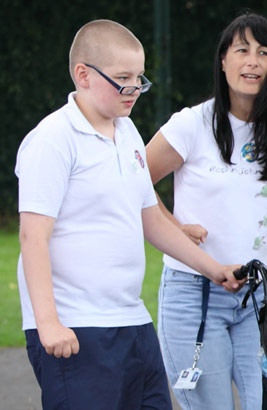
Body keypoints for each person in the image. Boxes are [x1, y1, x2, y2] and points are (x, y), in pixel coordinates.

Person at [15, 19, 241, 410]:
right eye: (123, 78)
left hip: (133, 321)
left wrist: (212, 268)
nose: (135, 89)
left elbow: (149, 218)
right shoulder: (51, 140)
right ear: (83, 75)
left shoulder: (129, 132)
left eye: (140, 77)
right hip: (76, 326)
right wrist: (49, 322)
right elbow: (33, 237)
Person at [145, 12, 267, 410]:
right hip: (192, 294)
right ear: (223, 60)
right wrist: (173, 227)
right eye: (241, 50)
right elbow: (133, 182)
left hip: (258, 298)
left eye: (264, 52)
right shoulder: (192, 123)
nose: (252, 61)